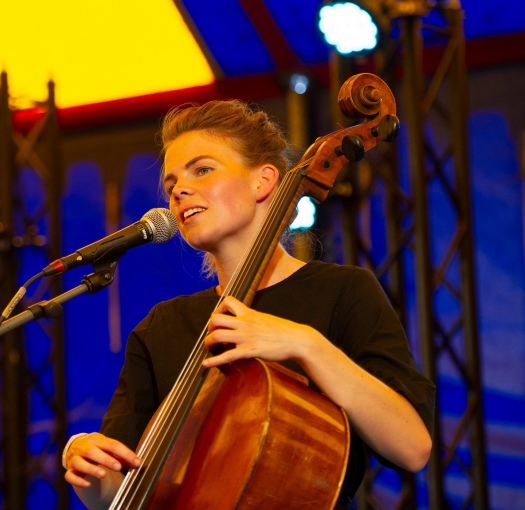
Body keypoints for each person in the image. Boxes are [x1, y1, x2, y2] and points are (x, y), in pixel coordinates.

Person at [63, 99, 435, 509]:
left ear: (263, 182)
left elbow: (412, 447)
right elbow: (121, 495)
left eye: (202, 169)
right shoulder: (162, 327)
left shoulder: (343, 291)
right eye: (171, 185)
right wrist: (84, 460)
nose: (179, 190)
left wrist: (307, 345)